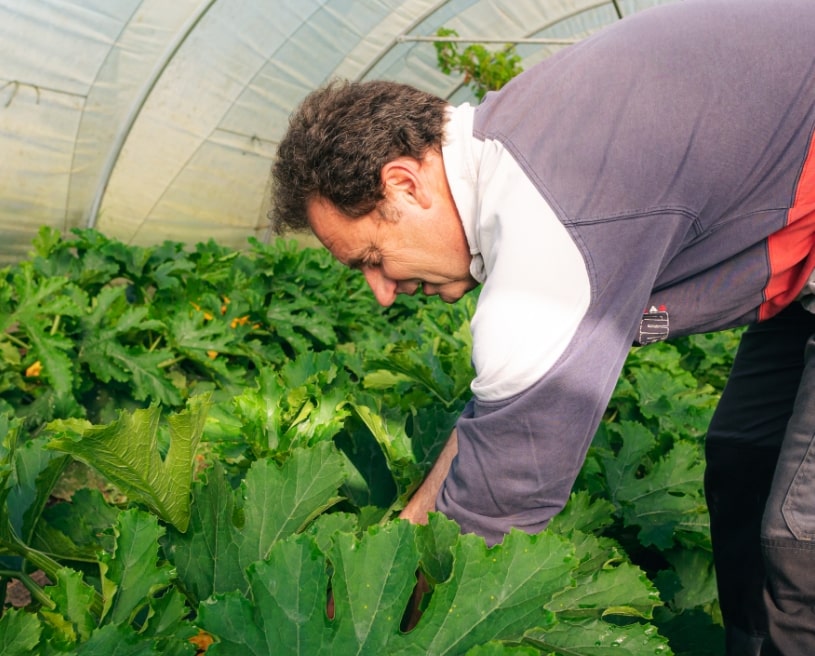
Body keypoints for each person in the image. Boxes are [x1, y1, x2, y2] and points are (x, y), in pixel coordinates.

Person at [270, 1, 815, 654]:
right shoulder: (512, 144)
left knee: (799, 535)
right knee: (740, 457)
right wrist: (406, 529)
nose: (381, 292)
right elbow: (500, 410)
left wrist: (380, 624)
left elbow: (494, 512)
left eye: (371, 260)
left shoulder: (548, 228)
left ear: (404, 186)